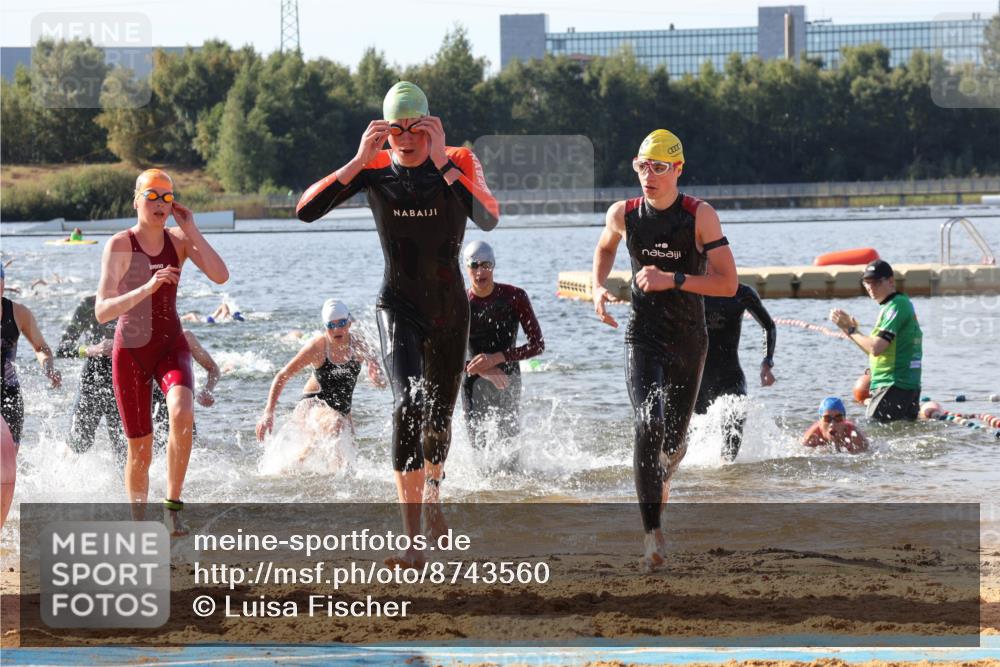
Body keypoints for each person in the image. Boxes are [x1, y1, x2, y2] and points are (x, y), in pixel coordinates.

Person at [296, 81, 499, 565]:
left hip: (450, 310)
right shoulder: (374, 167)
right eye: (396, 130)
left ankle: (434, 494)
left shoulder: (460, 161)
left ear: (430, 125)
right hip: (398, 306)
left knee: (439, 418)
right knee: (406, 403)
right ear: (384, 131)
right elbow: (305, 211)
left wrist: (446, 162)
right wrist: (356, 159)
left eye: (415, 128)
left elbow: (488, 218)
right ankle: (411, 543)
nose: (406, 139)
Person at [592, 129, 737, 571]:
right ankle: (652, 534)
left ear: (677, 169)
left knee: (672, 444)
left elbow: (728, 284)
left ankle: (663, 475)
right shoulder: (624, 213)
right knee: (646, 423)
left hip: (689, 339)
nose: (647, 175)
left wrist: (672, 279)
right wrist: (598, 288)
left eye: (658, 167)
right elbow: (604, 249)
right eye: (641, 166)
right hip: (643, 335)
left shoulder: (700, 216)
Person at [95, 168, 228, 532]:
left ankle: (172, 507)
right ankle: (139, 524)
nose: (159, 204)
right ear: (136, 199)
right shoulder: (121, 244)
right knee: (140, 448)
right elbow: (102, 310)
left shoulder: (179, 241)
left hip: (171, 344)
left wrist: (192, 228)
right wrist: (147, 288)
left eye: (166, 197)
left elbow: (220, 275)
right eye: (151, 196)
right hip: (132, 350)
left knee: (182, 412)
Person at [255, 299, 386, 459]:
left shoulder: (359, 344)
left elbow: (377, 372)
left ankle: (292, 472)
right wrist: (268, 412)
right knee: (335, 425)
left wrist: (378, 376)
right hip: (313, 404)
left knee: (350, 455)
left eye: (342, 323)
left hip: (342, 408)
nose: (337, 329)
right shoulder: (317, 347)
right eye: (331, 325)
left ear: (349, 323)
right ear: (325, 327)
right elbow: (282, 375)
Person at [461, 241, 545, 448]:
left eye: (486, 264)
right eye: (474, 265)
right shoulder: (460, 303)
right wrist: (483, 370)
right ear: (466, 268)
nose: (480, 271)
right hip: (472, 380)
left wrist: (497, 358)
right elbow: (444, 355)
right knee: (477, 448)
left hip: (508, 376)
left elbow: (538, 344)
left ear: (494, 265)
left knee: (509, 448)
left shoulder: (514, 297)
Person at [1, 265, 62, 528]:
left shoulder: (18, 313)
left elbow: (40, 346)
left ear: (3, 282)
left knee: (7, 467)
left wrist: (47, 365)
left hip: (9, 397)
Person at [830, 259, 922, 422]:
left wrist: (851, 330)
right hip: (903, 386)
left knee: (873, 435)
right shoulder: (891, 306)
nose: (871, 287)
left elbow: (876, 348)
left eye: (876, 282)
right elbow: (875, 351)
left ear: (891, 281)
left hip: (893, 385)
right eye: (867, 282)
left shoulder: (896, 305)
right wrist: (850, 330)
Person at [694, 283, 777, 462]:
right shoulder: (689, 288)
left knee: (735, 417)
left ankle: (729, 480)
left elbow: (768, 326)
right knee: (685, 441)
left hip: (730, 375)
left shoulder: (741, 293)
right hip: (696, 378)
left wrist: (767, 362)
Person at [57, 294, 125, 464]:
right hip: (92, 381)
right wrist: (93, 349)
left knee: (123, 450)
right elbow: (63, 348)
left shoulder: (135, 302)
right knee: (78, 444)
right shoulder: (89, 304)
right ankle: (59, 482)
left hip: (124, 384)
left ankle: (125, 490)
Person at [151, 330, 221, 452]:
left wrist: (207, 390)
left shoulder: (185, 336)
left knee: (190, 456)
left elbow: (214, 369)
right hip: (150, 408)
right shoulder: (139, 338)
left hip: (182, 409)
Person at [801, 397, 869, 454]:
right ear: (820, 421)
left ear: (844, 420)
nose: (832, 424)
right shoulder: (810, 438)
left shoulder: (855, 435)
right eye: (827, 418)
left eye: (838, 418)